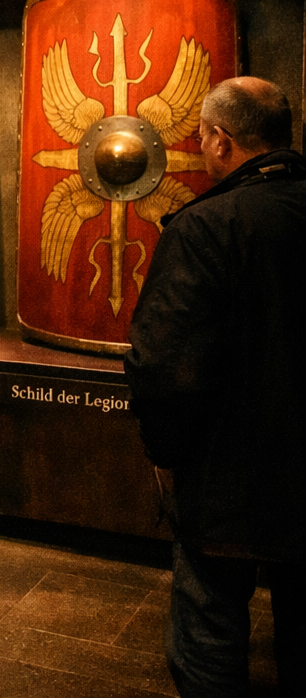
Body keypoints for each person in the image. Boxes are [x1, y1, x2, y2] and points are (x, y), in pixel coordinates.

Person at [125, 76, 305, 698]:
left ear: (219, 139)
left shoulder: (205, 227)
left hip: (227, 473)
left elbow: (164, 366)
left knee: (209, 641)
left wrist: (166, 456)